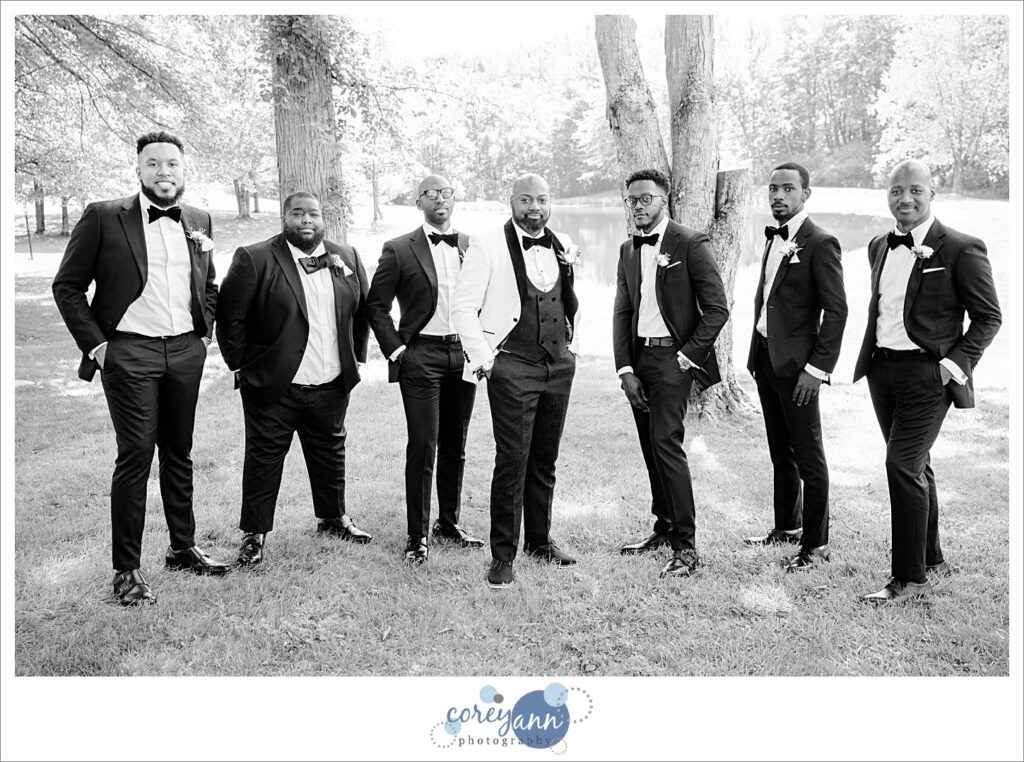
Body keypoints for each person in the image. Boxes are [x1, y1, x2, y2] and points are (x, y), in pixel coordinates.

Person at [52, 130, 229, 606]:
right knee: (136, 456)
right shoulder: (105, 216)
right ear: (138, 169)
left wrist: (204, 329)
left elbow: (207, 282)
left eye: (171, 163)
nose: (163, 172)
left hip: (185, 352)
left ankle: (182, 547)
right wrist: (98, 347)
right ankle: (126, 571)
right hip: (128, 352)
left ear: (183, 169)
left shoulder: (199, 218)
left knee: (180, 451)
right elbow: (67, 286)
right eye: (153, 164)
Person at [853, 159, 1001, 602]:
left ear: (932, 194)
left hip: (929, 375)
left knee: (901, 466)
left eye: (915, 190)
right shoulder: (879, 244)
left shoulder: (960, 247)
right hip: (883, 371)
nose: (906, 199)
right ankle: (932, 557)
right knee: (917, 465)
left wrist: (953, 364)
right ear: (888, 195)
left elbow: (989, 317)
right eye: (897, 191)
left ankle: (910, 579)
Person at [215, 191, 373, 566]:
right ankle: (254, 534)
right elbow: (230, 317)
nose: (307, 220)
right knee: (264, 458)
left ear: (323, 220)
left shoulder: (345, 257)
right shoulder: (254, 258)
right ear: (285, 218)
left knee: (331, 450)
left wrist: (356, 360)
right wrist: (242, 366)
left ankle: (333, 517)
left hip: (331, 381)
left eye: (314, 214)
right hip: (274, 385)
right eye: (298, 213)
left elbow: (363, 310)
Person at [451, 173, 581, 589]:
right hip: (512, 366)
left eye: (542, 200)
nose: (535, 209)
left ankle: (540, 542)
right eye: (526, 200)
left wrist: (571, 350)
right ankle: (503, 555)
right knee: (513, 461)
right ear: (510, 202)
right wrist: (487, 360)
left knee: (545, 458)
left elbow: (568, 300)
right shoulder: (487, 245)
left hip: (558, 366)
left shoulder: (561, 243)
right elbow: (463, 308)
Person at [612, 168, 729, 578]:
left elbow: (717, 309)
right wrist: (625, 368)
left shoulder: (691, 243)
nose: (638, 206)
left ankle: (686, 546)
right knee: (649, 446)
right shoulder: (628, 249)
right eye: (632, 200)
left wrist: (687, 356)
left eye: (646, 198)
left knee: (666, 445)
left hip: (672, 361)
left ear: (664, 200)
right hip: (639, 361)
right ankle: (662, 528)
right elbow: (622, 311)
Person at [366, 174, 483, 564]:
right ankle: (418, 536)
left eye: (446, 193)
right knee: (423, 445)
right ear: (419, 203)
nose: (440, 200)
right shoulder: (399, 249)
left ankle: (448, 523)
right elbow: (376, 306)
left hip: (463, 356)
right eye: (430, 195)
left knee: (456, 444)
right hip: (421, 358)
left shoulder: (471, 245)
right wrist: (398, 351)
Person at [742, 162, 848, 570]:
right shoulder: (773, 239)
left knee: (809, 457)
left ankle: (816, 545)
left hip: (801, 370)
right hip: (767, 363)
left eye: (787, 189)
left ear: (806, 193)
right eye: (772, 189)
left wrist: (817, 370)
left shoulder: (821, 243)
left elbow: (836, 312)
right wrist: (756, 358)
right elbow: (768, 301)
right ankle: (787, 527)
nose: (778, 196)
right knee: (779, 452)